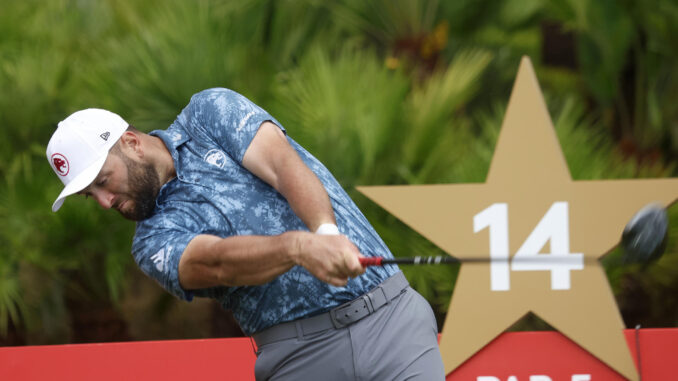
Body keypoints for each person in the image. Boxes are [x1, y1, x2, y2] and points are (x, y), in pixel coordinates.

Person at [46, 88, 444, 380]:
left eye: (103, 181)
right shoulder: (151, 241)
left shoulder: (208, 113)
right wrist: (298, 247)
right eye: (89, 195)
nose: (103, 201)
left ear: (131, 144)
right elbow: (215, 263)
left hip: (390, 322)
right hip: (299, 358)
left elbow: (281, 165)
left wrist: (324, 232)